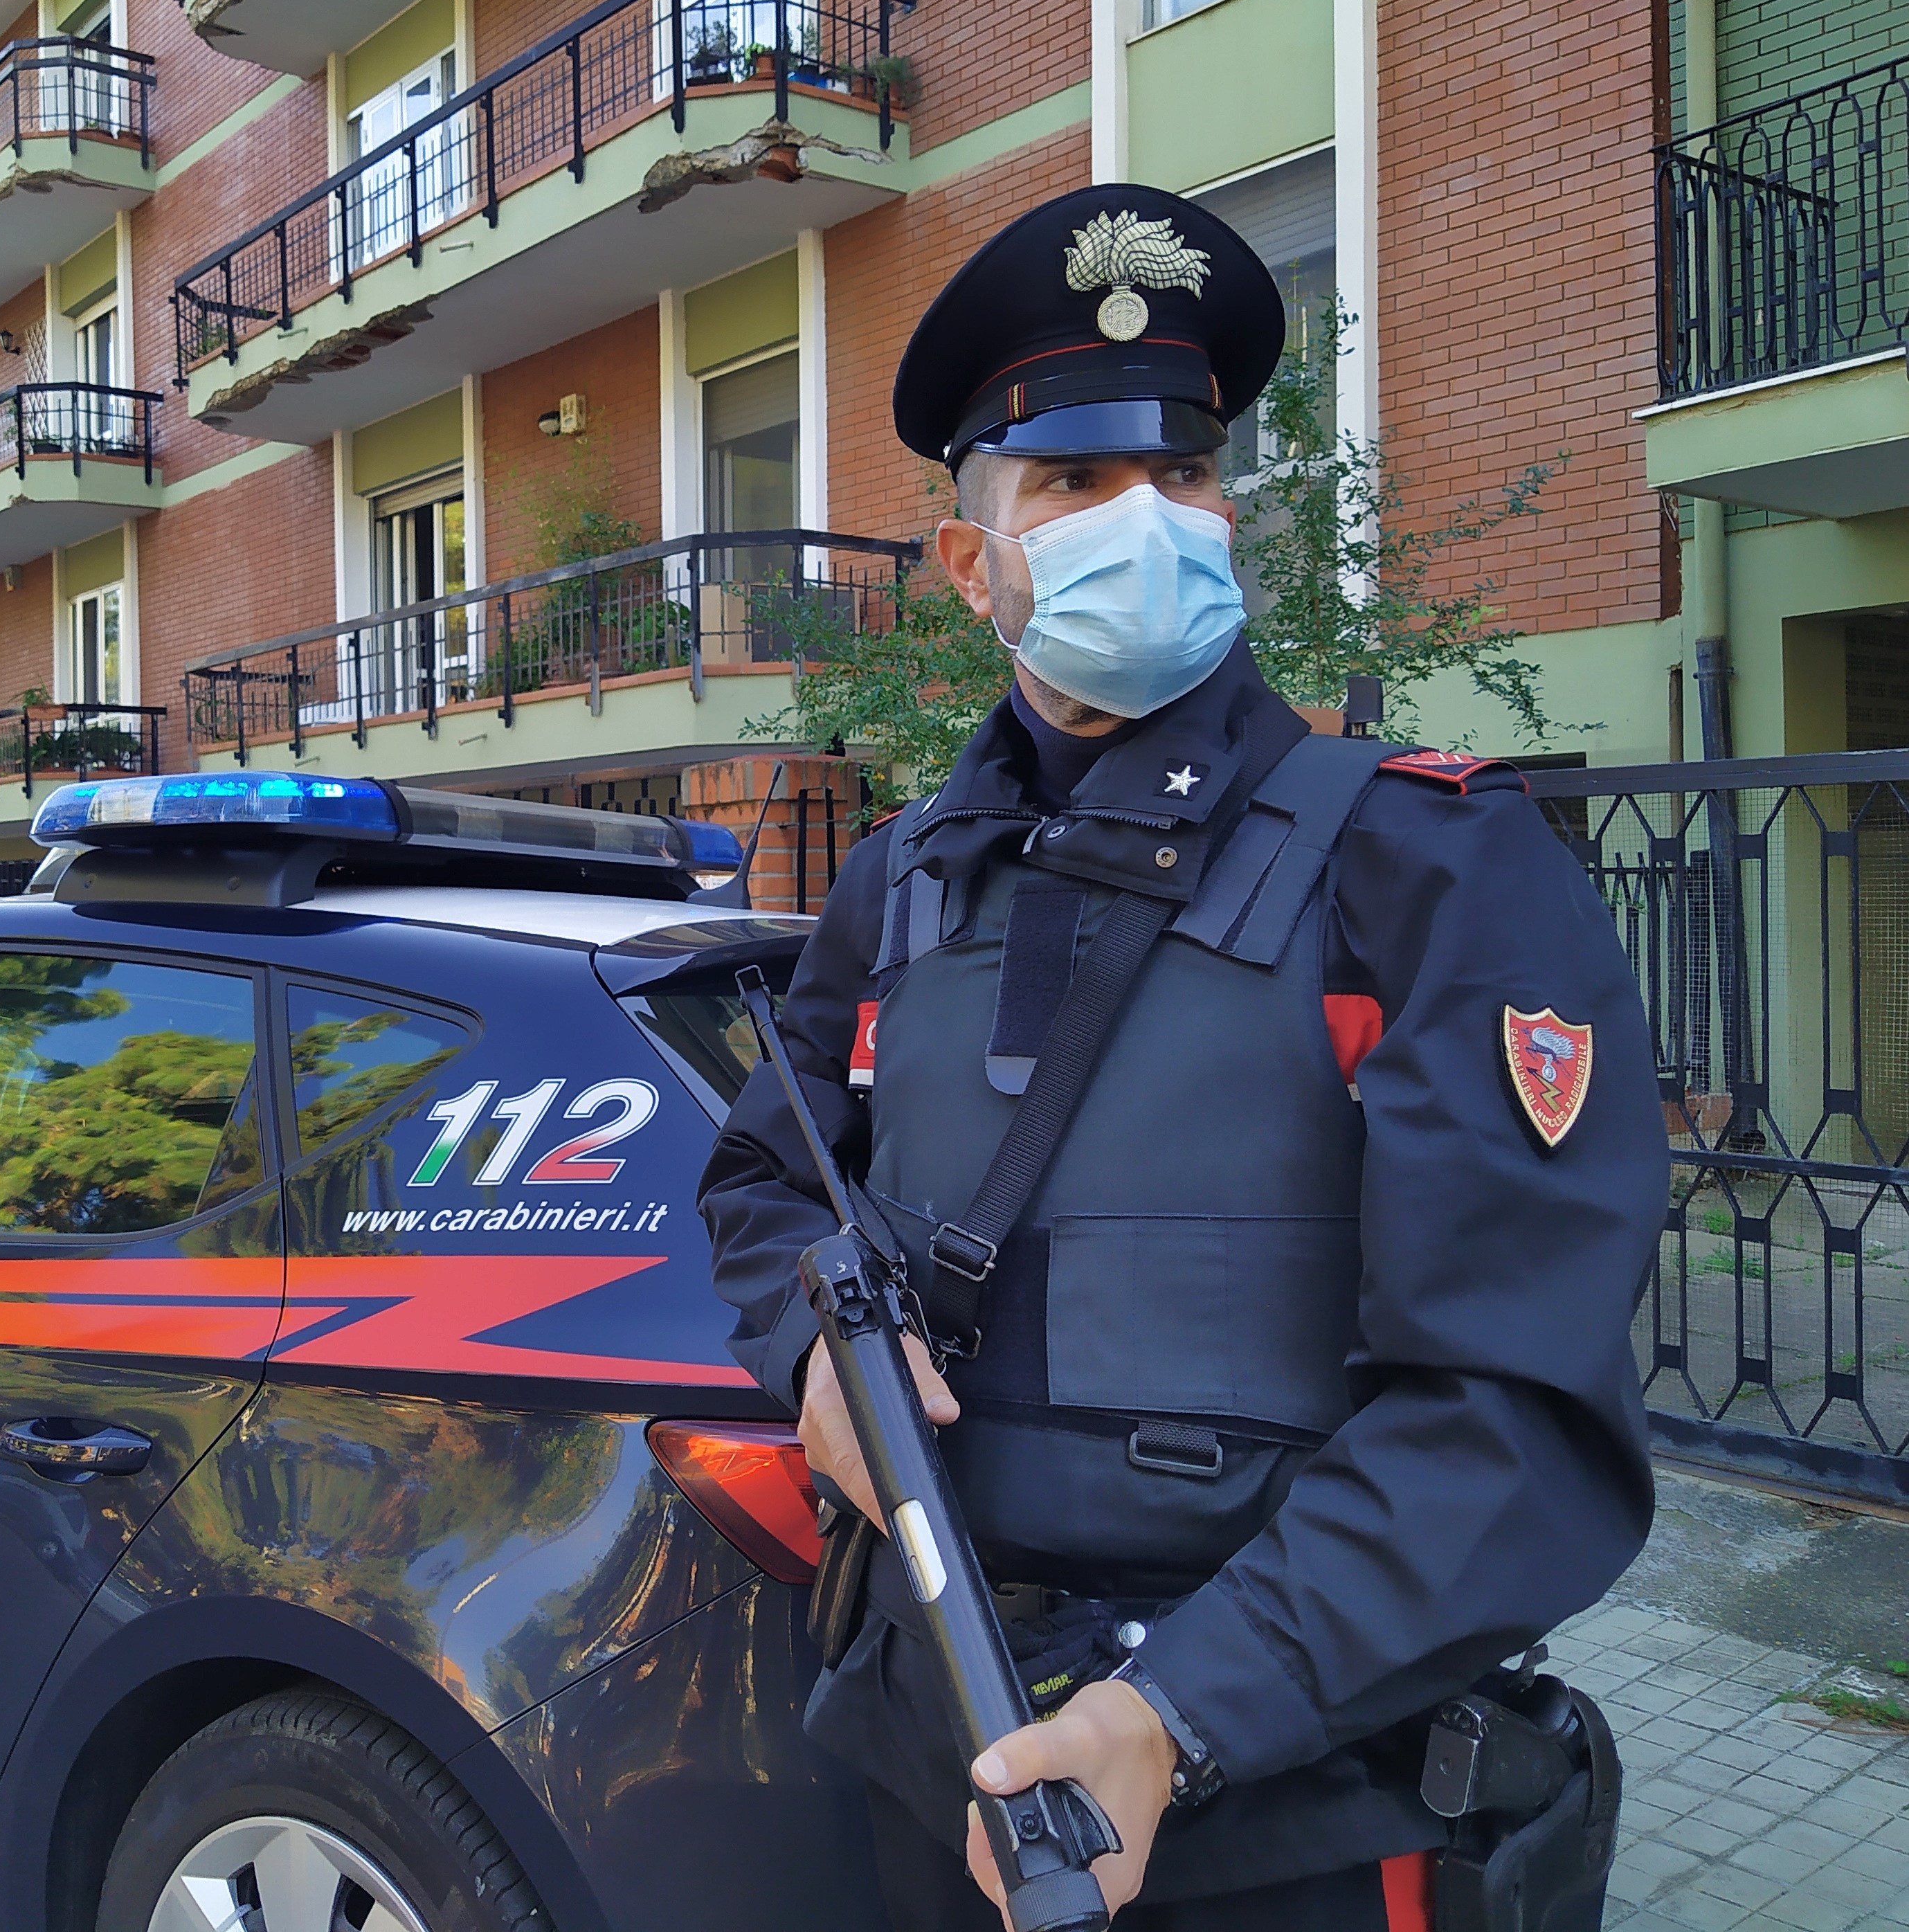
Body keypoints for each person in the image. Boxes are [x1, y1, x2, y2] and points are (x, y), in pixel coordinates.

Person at [699, 183, 1665, 1931]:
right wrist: (806, 1360)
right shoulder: (900, 881)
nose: (1145, 521)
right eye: (1072, 483)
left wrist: (1175, 1717)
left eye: (1185, 475)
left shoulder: (1424, 867)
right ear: (969, 560)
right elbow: (765, 1180)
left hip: (1288, 1814)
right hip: (940, 1761)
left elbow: (1513, 1417)